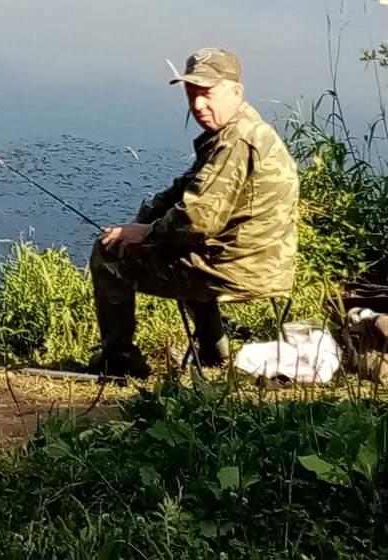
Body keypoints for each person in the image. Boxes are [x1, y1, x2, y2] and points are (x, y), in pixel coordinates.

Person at [88, 48, 299, 379]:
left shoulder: (236, 141)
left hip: (242, 267)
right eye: (191, 94)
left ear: (235, 92)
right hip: (254, 257)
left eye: (207, 94)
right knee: (175, 245)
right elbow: (184, 188)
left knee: (108, 255)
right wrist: (141, 221)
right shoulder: (240, 129)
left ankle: (119, 360)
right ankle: (214, 349)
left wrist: (144, 234)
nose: (198, 105)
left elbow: (196, 218)